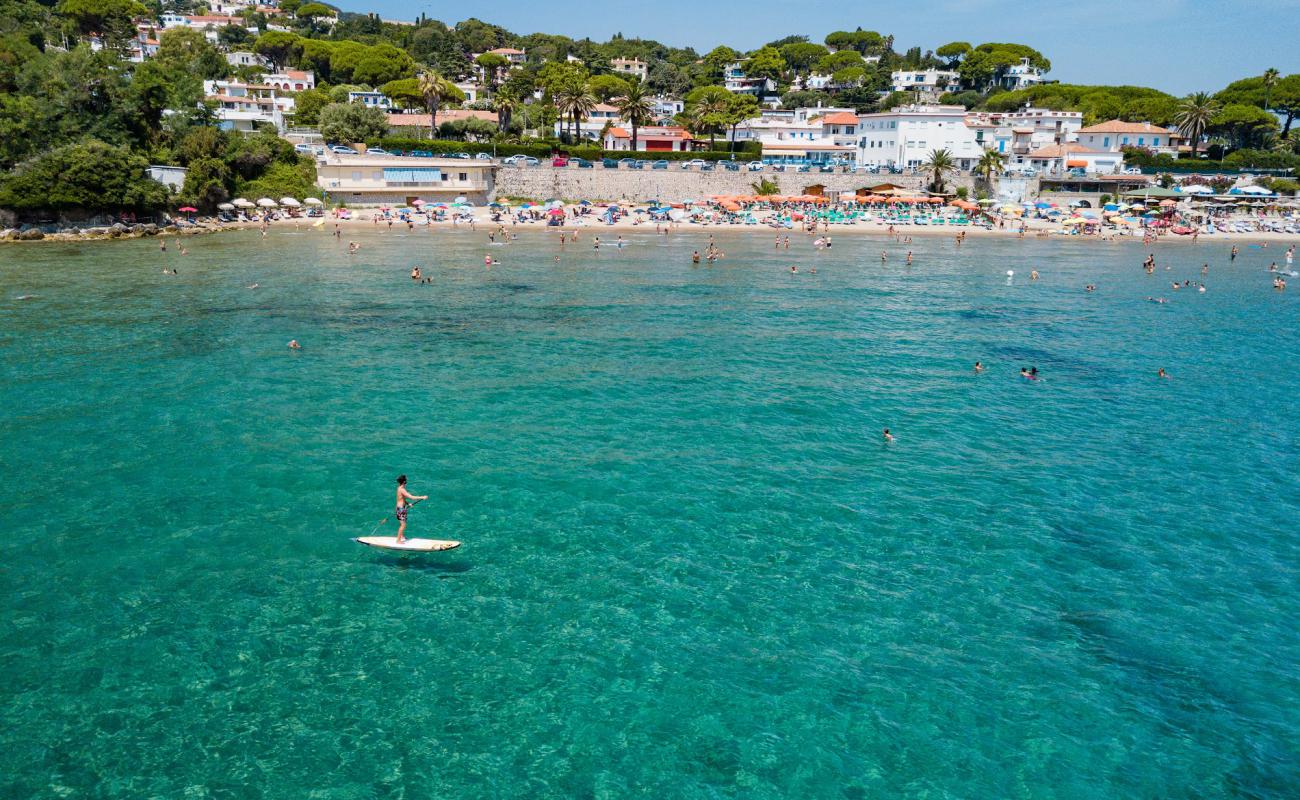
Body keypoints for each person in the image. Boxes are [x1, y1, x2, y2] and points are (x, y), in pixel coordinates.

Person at [394, 475, 428, 544]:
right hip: (401, 509)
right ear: (404, 482)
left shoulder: (399, 488)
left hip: (401, 508)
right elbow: (411, 497)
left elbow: (401, 498)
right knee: (403, 525)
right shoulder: (402, 490)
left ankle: (402, 536)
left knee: (402, 523)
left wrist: (407, 503)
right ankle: (398, 540)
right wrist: (422, 497)